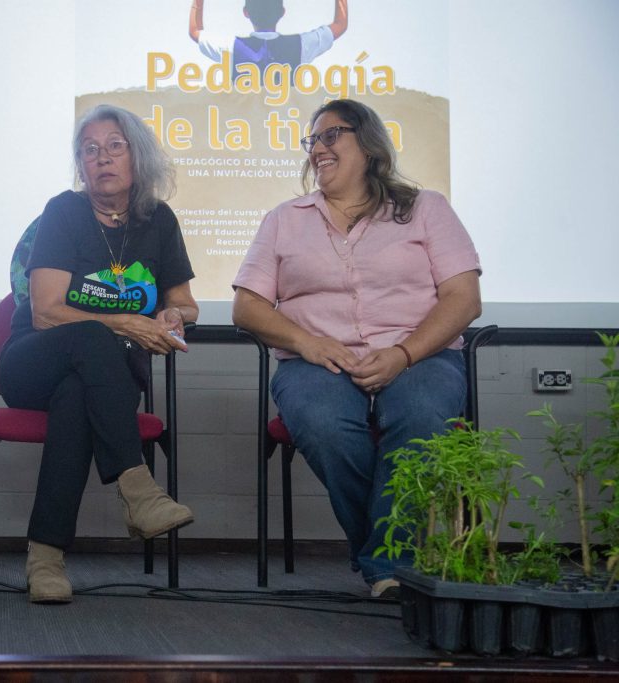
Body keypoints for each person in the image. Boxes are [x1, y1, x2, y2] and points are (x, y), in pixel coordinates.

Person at [231, 99, 481, 598]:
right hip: (314, 360)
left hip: (421, 355)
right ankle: (389, 559)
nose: (318, 148)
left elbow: (464, 298)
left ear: (368, 145)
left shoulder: (425, 208)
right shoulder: (284, 219)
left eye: (331, 136)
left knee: (421, 413)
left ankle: (383, 561)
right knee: (324, 424)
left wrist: (403, 354)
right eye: (312, 140)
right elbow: (247, 308)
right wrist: (309, 342)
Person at [0, 104, 199, 604]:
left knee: (76, 401)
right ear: (80, 163)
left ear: (138, 156)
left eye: (115, 146)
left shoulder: (159, 221)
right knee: (92, 336)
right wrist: (123, 321)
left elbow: (184, 301)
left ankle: (45, 559)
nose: (102, 158)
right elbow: (46, 311)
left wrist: (174, 317)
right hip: (34, 360)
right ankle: (137, 487)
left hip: (102, 376)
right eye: (90, 150)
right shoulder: (64, 212)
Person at [189, 0, 348, 80]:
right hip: (284, 128)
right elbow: (340, 24)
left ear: (246, 13)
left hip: (242, 131)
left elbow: (195, 31)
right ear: (282, 12)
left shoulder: (232, 47)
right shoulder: (300, 45)